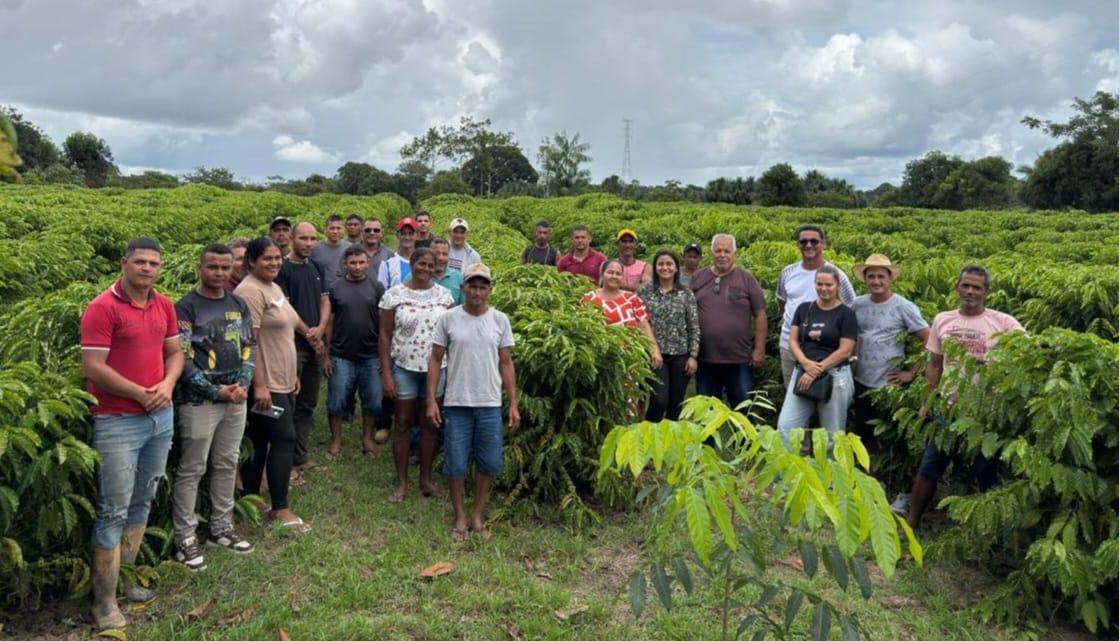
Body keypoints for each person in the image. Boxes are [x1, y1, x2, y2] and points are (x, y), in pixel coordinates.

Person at [81, 237, 183, 632]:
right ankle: (103, 603)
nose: (146, 268)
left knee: (143, 500)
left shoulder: (165, 305)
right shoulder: (101, 308)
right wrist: (140, 393)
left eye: (153, 263)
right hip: (117, 420)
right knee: (113, 509)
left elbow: (175, 353)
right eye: (139, 261)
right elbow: (93, 366)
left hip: (160, 416)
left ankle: (128, 581)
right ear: (124, 263)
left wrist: (167, 386)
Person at [900, 266, 1023, 528]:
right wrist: (928, 400)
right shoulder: (943, 319)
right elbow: (934, 364)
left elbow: (1028, 351)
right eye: (965, 285)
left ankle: (985, 530)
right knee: (930, 466)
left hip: (987, 411)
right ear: (957, 287)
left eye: (976, 287)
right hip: (949, 407)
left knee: (985, 471)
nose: (970, 291)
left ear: (986, 292)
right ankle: (912, 523)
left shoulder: (1003, 323)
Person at [171, 244, 255, 573]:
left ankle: (222, 529)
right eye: (213, 267)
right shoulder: (186, 308)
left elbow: (249, 347)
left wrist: (243, 384)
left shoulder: (238, 303)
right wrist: (215, 390)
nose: (219, 273)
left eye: (225, 267)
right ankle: (185, 537)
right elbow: (182, 357)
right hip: (200, 401)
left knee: (226, 462)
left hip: (236, 398)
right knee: (192, 468)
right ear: (199, 268)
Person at [427, 263, 520, 542]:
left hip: (489, 403)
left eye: (483, 287)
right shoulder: (449, 319)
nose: (477, 292)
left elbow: (506, 362)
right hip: (457, 403)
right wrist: (431, 400)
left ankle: (477, 514)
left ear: (490, 290)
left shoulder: (499, 320)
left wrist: (513, 402)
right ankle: (459, 516)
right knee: (455, 463)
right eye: (472, 286)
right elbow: (434, 359)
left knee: (489, 462)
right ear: (463, 288)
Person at [234, 237, 310, 533]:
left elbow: (287, 328)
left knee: (263, 440)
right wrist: (261, 385)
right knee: (283, 439)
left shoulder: (273, 286)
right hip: (265, 384)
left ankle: (250, 499)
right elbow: (249, 343)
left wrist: (293, 375)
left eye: (277, 258)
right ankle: (280, 508)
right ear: (251, 261)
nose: (274, 263)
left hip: (283, 378)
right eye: (267, 259)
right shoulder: (250, 291)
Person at [379, 248, 455, 502]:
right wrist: (387, 373)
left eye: (430, 265)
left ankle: (425, 478)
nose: (425, 269)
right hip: (404, 368)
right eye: (420, 264)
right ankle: (401, 482)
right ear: (412, 264)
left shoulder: (444, 296)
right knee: (402, 423)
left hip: (437, 369)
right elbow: (385, 336)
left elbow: (450, 335)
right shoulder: (394, 295)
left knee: (429, 424)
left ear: (436, 268)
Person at [849, 254, 929, 451]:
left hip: (889, 384)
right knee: (864, 433)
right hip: (860, 380)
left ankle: (888, 476)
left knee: (889, 435)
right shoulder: (857, 304)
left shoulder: (903, 306)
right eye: (871, 277)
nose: (876, 281)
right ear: (865, 279)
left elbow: (928, 338)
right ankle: (869, 474)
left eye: (881, 276)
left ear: (890, 279)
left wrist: (912, 372)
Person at [776, 265, 859, 450]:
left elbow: (845, 350)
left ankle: (830, 477)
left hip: (835, 375)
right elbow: (793, 340)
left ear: (838, 285)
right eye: (819, 284)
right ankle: (786, 475)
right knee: (786, 427)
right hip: (802, 372)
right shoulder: (804, 309)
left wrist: (816, 370)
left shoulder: (847, 314)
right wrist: (805, 363)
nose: (824, 289)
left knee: (832, 437)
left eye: (828, 284)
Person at [275, 222, 329, 480]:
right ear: (292, 238)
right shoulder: (282, 269)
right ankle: (286, 462)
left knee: (308, 402)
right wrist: (310, 333)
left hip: (315, 343)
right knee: (290, 403)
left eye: (312, 239)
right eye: (303, 238)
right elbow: (285, 309)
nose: (308, 243)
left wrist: (321, 328)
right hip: (293, 346)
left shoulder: (316, 267)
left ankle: (300, 456)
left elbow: (324, 300)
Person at [690, 234, 767, 410]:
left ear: (735, 254)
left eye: (727, 251)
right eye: (718, 251)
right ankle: (707, 439)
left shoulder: (746, 279)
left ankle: (743, 439)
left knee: (743, 407)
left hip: (739, 358)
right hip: (705, 357)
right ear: (711, 253)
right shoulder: (698, 278)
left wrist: (759, 349)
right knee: (706, 410)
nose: (722, 255)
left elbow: (760, 314)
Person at [324, 245, 386, 459]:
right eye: (353, 263)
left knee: (372, 400)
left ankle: (367, 438)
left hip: (371, 355)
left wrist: (383, 356)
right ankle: (336, 439)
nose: (357, 267)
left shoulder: (377, 288)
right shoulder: (335, 288)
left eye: (361, 262)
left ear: (368, 264)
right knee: (337, 400)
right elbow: (330, 322)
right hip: (342, 355)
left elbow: (383, 324)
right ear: (345, 264)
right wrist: (326, 354)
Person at [776, 225, 856, 387]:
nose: (809, 245)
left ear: (823, 244)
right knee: (793, 392)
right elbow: (782, 302)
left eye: (814, 241)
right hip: (789, 345)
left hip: (825, 350)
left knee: (825, 396)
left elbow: (850, 308)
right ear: (797, 244)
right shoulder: (787, 272)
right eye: (803, 241)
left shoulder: (837, 275)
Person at [637, 249, 699, 421]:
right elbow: (638, 321)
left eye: (669, 264)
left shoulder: (685, 293)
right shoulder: (644, 291)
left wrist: (693, 355)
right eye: (661, 264)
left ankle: (669, 439)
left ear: (676, 268)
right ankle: (648, 435)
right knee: (659, 400)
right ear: (655, 267)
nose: (665, 268)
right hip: (654, 355)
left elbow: (694, 326)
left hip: (680, 354)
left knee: (676, 402)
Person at [582, 259, 661, 364]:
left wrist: (655, 350)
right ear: (602, 274)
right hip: (598, 358)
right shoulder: (588, 298)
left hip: (630, 356)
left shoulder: (632, 298)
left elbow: (644, 325)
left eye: (618, 274)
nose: (614, 276)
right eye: (610, 272)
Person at [409, 237, 464, 306]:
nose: (441, 258)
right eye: (437, 253)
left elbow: (464, 308)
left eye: (445, 254)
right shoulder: (414, 276)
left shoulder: (459, 278)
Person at [311, 215, 348, 290]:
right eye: (332, 228)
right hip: (321, 291)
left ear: (343, 230)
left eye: (338, 228)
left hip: (345, 290)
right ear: (325, 230)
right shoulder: (314, 248)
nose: (335, 231)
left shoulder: (350, 248)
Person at [379, 217, 417, 288]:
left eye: (411, 233)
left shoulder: (423, 262)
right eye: (403, 233)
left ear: (416, 236)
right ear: (397, 235)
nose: (407, 237)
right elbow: (382, 293)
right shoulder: (387, 265)